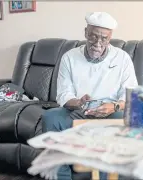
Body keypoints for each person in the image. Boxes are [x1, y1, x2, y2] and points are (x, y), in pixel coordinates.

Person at [42, 12, 138, 180]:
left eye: (104, 38)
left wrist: (114, 106)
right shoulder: (69, 58)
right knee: (51, 117)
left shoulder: (122, 58)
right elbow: (64, 94)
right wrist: (78, 102)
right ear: (85, 32)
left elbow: (131, 94)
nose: (98, 43)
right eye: (93, 37)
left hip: (111, 110)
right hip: (79, 109)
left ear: (110, 38)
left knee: (120, 121)